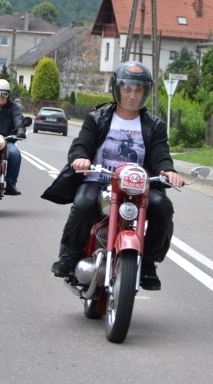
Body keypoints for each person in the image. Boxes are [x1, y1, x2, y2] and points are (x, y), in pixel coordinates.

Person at [42, 61, 184, 291]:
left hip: (136, 188)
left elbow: (161, 156)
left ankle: (148, 263)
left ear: (145, 92)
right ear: (117, 89)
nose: (132, 95)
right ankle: (70, 256)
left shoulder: (154, 125)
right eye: (127, 88)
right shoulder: (97, 118)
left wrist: (168, 171)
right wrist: (81, 157)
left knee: (164, 208)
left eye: (139, 89)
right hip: (98, 182)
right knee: (83, 203)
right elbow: (82, 144)